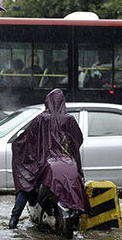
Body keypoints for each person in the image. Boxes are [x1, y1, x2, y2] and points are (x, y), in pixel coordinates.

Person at [8, 88, 89, 229]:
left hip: (43, 164)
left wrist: (18, 146)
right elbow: (78, 139)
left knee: (26, 185)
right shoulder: (69, 119)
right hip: (68, 162)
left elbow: (26, 139)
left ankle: (13, 220)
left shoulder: (41, 119)